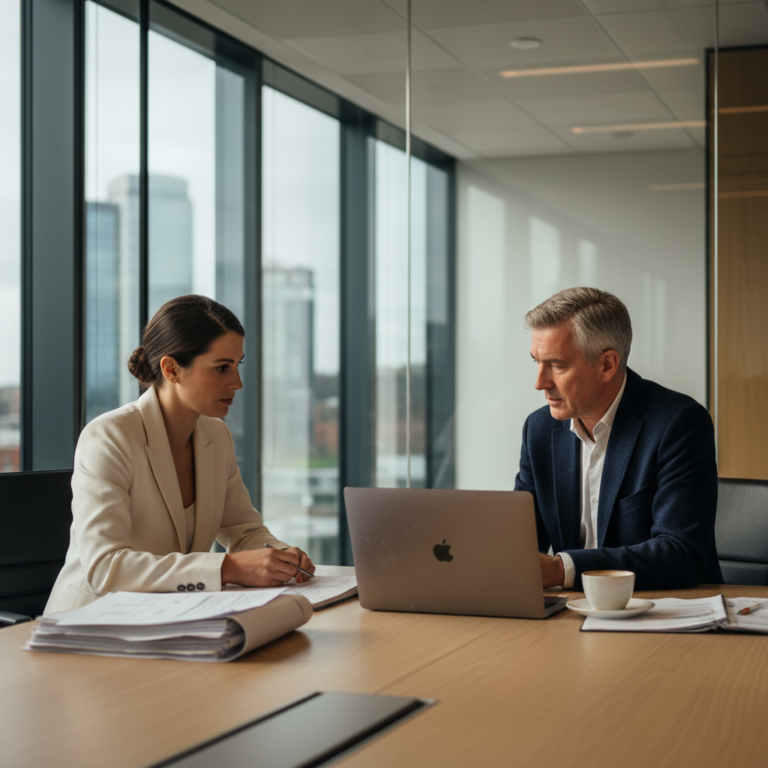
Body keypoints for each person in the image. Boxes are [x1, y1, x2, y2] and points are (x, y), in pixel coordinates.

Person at [45, 295, 315, 615]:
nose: (237, 383)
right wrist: (226, 568)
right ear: (171, 369)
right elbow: (106, 567)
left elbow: (244, 531)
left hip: (172, 619)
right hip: (89, 625)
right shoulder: (109, 437)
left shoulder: (216, 436)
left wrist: (281, 556)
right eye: (222, 368)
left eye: (237, 365)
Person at [514, 287, 722, 591]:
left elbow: (680, 555)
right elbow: (520, 542)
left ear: (607, 365)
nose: (539, 383)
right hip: (569, 615)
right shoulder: (539, 430)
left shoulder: (678, 424)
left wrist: (562, 570)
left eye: (557, 365)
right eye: (537, 361)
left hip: (664, 614)